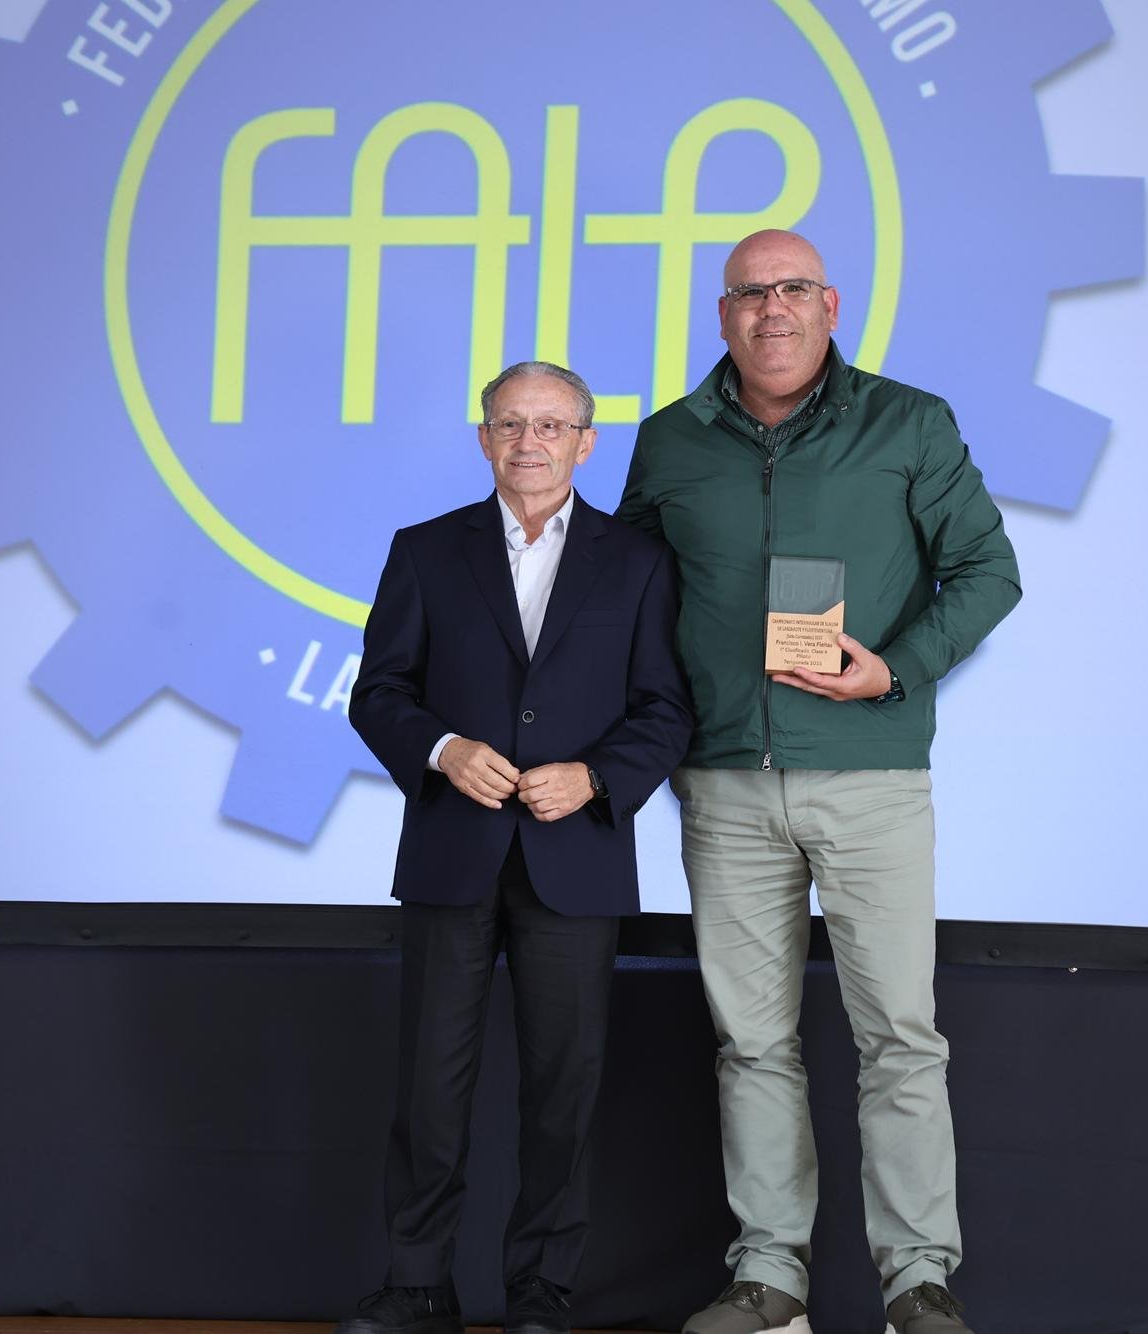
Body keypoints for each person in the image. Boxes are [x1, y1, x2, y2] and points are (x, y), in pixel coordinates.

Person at [617, 230, 1022, 1334]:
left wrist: (898, 666)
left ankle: (917, 1279)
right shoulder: (670, 440)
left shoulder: (910, 421)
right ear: (722, 316)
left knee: (898, 1030)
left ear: (830, 303)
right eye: (750, 294)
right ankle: (770, 1276)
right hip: (723, 786)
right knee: (752, 1038)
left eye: (793, 289)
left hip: (870, 777)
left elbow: (990, 570)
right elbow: (628, 602)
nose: (772, 311)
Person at [347, 361, 693, 1334]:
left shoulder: (637, 562)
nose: (528, 441)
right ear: (483, 436)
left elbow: (667, 708)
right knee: (429, 1085)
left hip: (574, 855)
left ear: (588, 442)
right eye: (510, 423)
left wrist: (595, 776)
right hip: (452, 852)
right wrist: (444, 749)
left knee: (562, 1088)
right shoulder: (424, 550)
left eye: (551, 425)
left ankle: (541, 1288)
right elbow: (378, 692)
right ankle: (417, 1282)